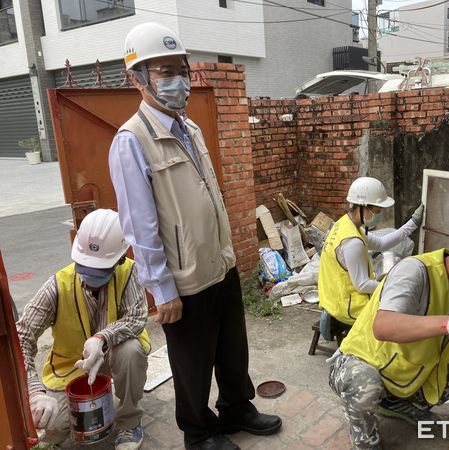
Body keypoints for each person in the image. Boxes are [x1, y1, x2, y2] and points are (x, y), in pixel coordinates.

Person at [108, 22, 281, 450]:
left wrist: (228, 256)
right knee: (192, 362)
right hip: (183, 280)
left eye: (180, 68)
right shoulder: (131, 140)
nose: (177, 79)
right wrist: (161, 290)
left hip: (219, 264)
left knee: (231, 349)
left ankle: (237, 407)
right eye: (163, 70)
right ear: (138, 78)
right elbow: (139, 225)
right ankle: (198, 432)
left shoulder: (191, 128)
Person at [328, 223, 449, 449]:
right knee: (365, 384)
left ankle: (399, 403)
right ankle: (364, 438)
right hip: (359, 362)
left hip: (405, 370)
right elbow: (383, 326)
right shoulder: (415, 270)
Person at [16, 209, 149, 449]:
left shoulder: (128, 272)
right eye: (84, 266)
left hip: (112, 356)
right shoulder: (57, 285)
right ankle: (97, 399)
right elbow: (20, 338)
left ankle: (129, 421)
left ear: (118, 259)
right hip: (72, 368)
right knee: (52, 427)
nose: (89, 274)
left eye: (99, 269)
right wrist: (35, 392)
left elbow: (137, 317)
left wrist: (102, 338)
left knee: (131, 351)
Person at [318, 176, 424, 331]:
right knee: (402, 309)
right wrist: (391, 285)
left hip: (332, 298)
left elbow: (381, 244)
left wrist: (412, 223)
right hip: (349, 307)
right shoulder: (352, 242)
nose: (379, 215)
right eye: (377, 210)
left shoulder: (345, 223)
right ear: (363, 207)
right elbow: (362, 284)